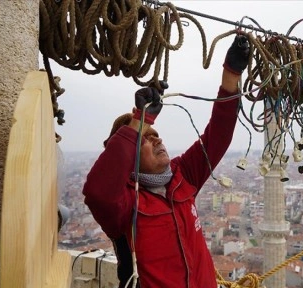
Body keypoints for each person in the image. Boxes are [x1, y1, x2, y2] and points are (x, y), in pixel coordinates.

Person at [82, 34, 250, 288]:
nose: (158, 140)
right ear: (128, 155)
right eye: (146, 139)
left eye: (157, 135)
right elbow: (98, 193)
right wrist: (140, 120)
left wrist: (232, 75)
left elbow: (218, 135)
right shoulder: (123, 205)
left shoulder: (183, 175)